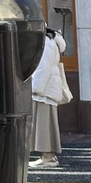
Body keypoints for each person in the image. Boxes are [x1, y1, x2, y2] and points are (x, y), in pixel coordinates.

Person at [29, 27, 70, 168]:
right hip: (47, 89)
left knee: (44, 125)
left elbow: (43, 67)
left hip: (44, 90)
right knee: (45, 124)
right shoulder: (49, 41)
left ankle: (48, 157)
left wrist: (35, 88)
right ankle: (47, 156)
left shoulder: (45, 42)